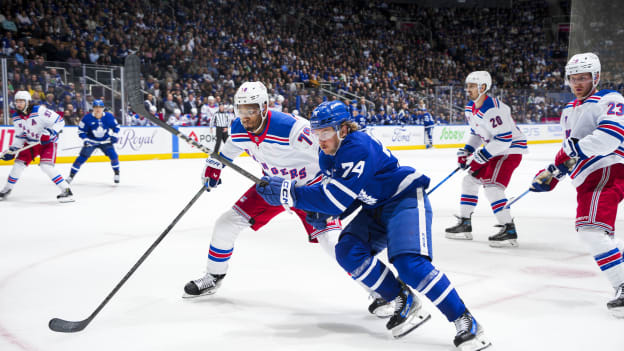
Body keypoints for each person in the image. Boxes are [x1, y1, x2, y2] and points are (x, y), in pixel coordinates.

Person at [256, 100, 492, 349]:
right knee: (347, 251)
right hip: (375, 206)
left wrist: (289, 192)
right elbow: (344, 198)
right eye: (316, 133)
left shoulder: (357, 147)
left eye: (325, 132)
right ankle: (401, 297)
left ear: (343, 129)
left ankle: (465, 320)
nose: (320, 139)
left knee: (410, 264)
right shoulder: (328, 156)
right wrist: (320, 210)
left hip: (405, 199)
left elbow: (336, 198)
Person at [182, 82, 393, 317]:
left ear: (264, 107)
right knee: (226, 223)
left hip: (309, 190)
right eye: (240, 110)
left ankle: (381, 291)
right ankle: (214, 276)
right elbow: (230, 148)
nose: (245, 116)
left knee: (334, 243)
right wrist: (215, 164)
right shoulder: (240, 128)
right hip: (271, 187)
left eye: (251, 110)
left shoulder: (292, 129)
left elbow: (332, 150)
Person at [530, 52, 624, 317]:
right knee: (597, 235)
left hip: (606, 170)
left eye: (583, 77)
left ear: (595, 77)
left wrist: (570, 155)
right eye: (573, 78)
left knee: (591, 231)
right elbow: (568, 151)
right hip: (585, 178)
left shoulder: (609, 100)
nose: (578, 83)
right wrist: (551, 174)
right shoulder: (569, 111)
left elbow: (610, 138)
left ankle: (622, 284)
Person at [444, 71, 527, 247]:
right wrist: (467, 150)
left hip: (509, 151)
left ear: (483, 87)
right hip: (495, 149)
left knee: (492, 187)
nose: (468, 89)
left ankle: (508, 229)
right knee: (469, 181)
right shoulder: (470, 107)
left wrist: (479, 158)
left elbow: (505, 140)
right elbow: (476, 134)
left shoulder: (493, 110)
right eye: (467, 86)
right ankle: (465, 224)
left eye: (472, 86)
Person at [0, 90, 74, 202]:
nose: (18, 104)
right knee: (18, 165)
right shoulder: (16, 116)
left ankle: (66, 191)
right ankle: (7, 189)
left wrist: (50, 132)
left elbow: (60, 121)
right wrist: (12, 150)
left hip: (48, 143)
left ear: (28, 102)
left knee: (46, 166)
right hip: (30, 144)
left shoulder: (40, 111)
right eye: (17, 101)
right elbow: (20, 136)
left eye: (21, 101)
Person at [67, 100, 120, 184]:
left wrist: (114, 135)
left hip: (105, 141)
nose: (98, 109)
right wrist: (85, 139)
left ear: (103, 108)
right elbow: (81, 131)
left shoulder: (109, 117)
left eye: (100, 107)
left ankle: (117, 173)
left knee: (114, 156)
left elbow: (116, 126)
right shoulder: (86, 118)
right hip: (91, 141)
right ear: (93, 108)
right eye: (96, 107)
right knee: (81, 158)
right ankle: (71, 176)